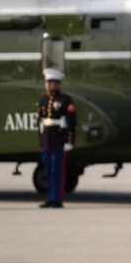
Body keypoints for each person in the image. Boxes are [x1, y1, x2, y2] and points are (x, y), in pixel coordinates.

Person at [38, 68, 76, 209]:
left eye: (53, 82)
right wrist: (41, 141)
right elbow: (40, 120)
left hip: (59, 140)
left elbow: (71, 122)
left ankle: (57, 199)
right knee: (48, 171)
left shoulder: (65, 100)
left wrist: (69, 141)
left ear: (58, 84)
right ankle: (49, 198)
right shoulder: (43, 99)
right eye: (48, 82)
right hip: (46, 140)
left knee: (57, 171)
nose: (50, 85)